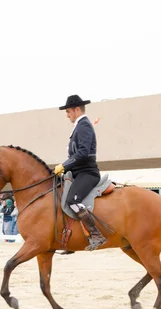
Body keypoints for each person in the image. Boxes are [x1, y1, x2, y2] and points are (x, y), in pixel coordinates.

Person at [53, 94, 106, 250]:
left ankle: (96, 235)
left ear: (76, 109)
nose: (67, 115)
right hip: (77, 173)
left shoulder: (84, 125)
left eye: (68, 111)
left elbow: (82, 153)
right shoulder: (78, 126)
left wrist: (64, 165)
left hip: (87, 173)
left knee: (73, 201)